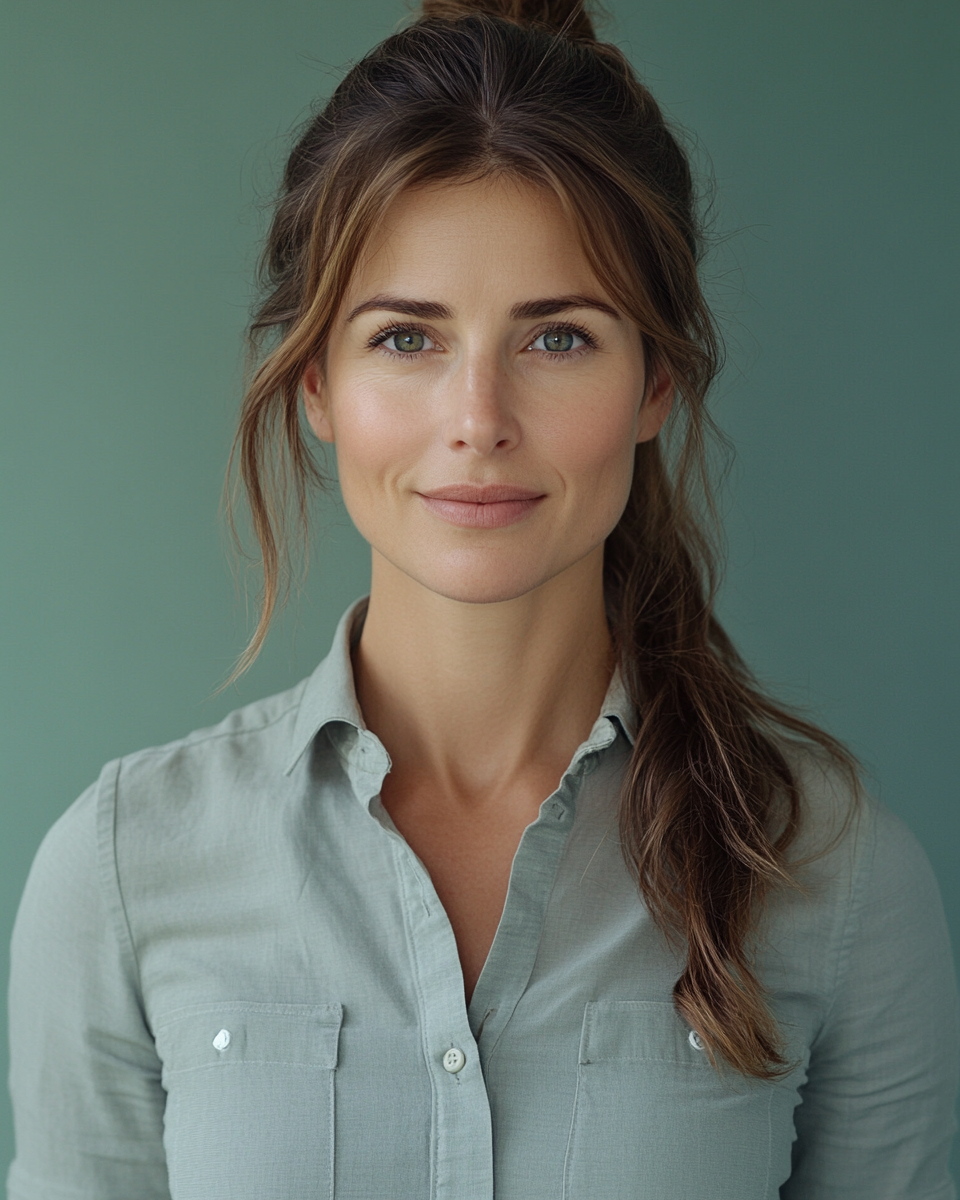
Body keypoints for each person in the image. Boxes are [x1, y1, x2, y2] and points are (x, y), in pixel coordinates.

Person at [7, 0, 958, 1197]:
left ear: (656, 380)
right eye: (406, 340)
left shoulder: (837, 873)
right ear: (316, 385)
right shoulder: (121, 870)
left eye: (557, 339)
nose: (478, 420)